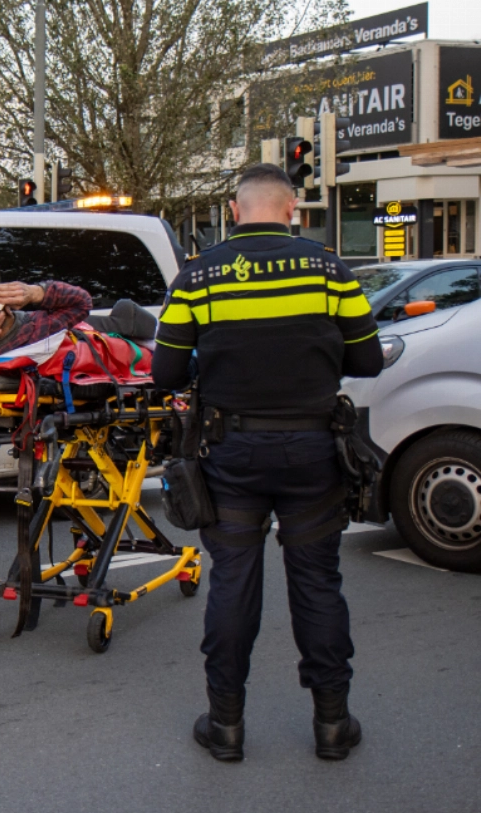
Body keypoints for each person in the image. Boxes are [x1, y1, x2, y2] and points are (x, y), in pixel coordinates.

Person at [151, 163, 384, 763]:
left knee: (232, 581)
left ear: (234, 211)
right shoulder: (331, 267)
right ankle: (333, 723)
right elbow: (369, 360)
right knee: (317, 583)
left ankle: (225, 724)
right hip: (313, 452)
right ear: (292, 210)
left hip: (231, 452)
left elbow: (167, 373)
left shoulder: (199, 274)